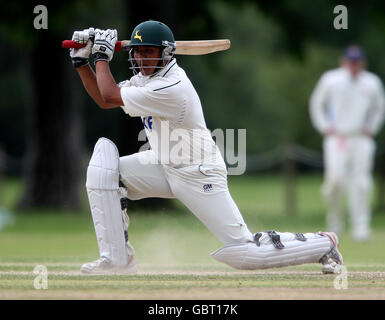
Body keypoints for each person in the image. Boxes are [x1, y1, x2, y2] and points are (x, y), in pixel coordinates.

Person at [69, 20, 343, 274]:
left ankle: (322, 243)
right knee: (104, 171)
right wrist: (82, 62)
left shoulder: (171, 86)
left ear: (166, 53)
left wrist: (101, 57)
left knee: (244, 252)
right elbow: (106, 100)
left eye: (148, 51)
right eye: (137, 51)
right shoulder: (146, 77)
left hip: (198, 172)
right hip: (164, 163)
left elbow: (109, 93)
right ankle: (117, 261)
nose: (141, 58)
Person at [310, 45, 385, 242]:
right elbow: (317, 104)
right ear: (344, 62)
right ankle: (335, 224)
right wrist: (325, 126)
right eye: (350, 62)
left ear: (362, 63)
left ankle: (361, 226)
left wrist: (372, 127)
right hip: (337, 137)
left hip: (361, 138)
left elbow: (379, 108)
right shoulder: (331, 79)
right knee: (334, 181)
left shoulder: (371, 82)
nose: (353, 66)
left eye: (357, 62)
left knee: (361, 183)